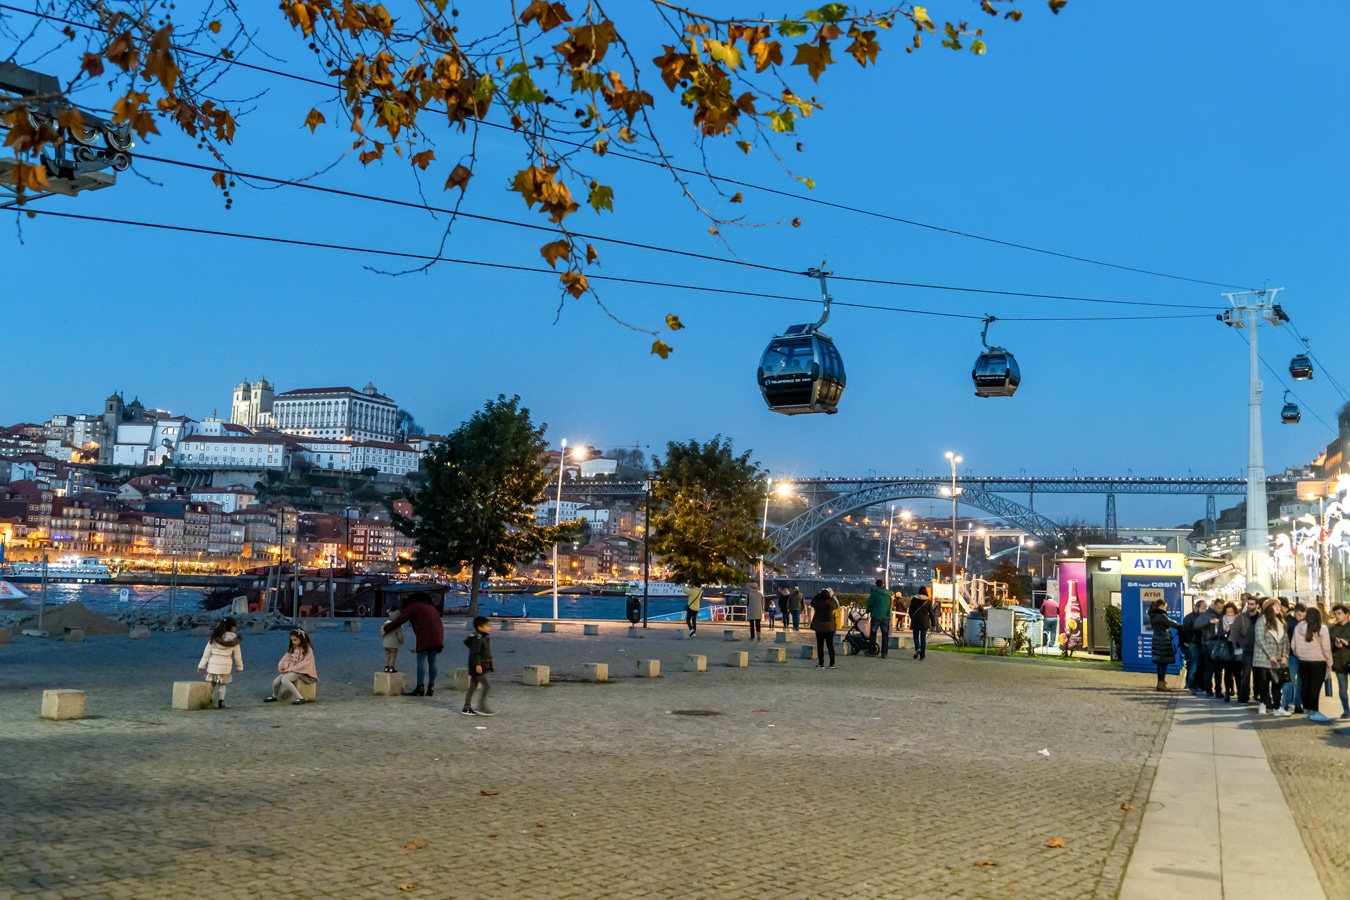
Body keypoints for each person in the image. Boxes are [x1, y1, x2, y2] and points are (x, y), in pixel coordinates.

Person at [381, 591, 444, 697]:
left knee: (421, 661)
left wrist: (385, 629)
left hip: (426, 636)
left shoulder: (413, 606)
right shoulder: (430, 607)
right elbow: (422, 626)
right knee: (432, 661)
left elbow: (400, 620)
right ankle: (431, 687)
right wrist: (419, 645)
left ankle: (420, 687)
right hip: (438, 636)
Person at [1292, 606, 1334, 722]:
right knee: (1315, 688)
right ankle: (1314, 711)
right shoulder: (1322, 629)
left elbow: (1293, 646)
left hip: (1303, 661)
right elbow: (1326, 648)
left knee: (1305, 686)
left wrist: (1299, 654)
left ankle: (1306, 711)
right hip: (1318, 662)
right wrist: (1329, 662)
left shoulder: (1299, 627)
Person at [1252, 599, 1289, 715]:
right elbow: (1259, 639)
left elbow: (1285, 640)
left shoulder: (1281, 622)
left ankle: (1277, 707)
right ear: (1269, 608)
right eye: (1275, 606)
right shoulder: (1261, 621)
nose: (1279, 608)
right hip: (1263, 657)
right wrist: (1270, 654)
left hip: (1278, 658)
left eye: (1279, 606)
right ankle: (1263, 703)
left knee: (1277, 682)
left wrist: (1285, 655)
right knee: (1264, 682)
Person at [197, 617, 243, 709]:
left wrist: (201, 665)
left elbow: (206, 654)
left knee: (211, 684)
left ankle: (209, 699)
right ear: (233, 628)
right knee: (222, 685)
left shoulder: (215, 638)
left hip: (213, 666)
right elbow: (238, 656)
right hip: (225, 667)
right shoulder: (234, 641)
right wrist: (239, 667)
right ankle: (221, 701)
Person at [266, 629, 318, 705]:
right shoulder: (293, 647)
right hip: (291, 670)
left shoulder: (307, 649)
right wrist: (283, 667)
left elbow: (307, 662)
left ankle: (300, 697)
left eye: (295, 640)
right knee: (276, 681)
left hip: (302, 671)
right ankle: (274, 696)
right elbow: (286, 658)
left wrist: (292, 669)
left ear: (301, 639)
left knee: (285, 679)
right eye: (292, 640)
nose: (293, 642)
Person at [462, 615, 495, 717]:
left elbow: (484, 651)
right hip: (477, 667)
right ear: (480, 627)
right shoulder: (478, 638)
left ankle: (466, 707)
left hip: (480, 665)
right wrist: (477, 664)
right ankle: (481, 706)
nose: (489, 627)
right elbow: (475, 653)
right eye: (487, 625)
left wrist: (490, 659)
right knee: (487, 685)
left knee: (472, 687)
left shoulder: (483, 637)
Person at [1148, 599, 1182, 692]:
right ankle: (1161, 683)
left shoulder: (1153, 615)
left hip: (1157, 639)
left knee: (1160, 663)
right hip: (1163, 640)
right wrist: (1181, 625)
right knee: (1163, 663)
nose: (1166, 609)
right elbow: (1171, 623)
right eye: (1165, 607)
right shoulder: (1161, 616)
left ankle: (1160, 681)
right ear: (1161, 606)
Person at [1282, 603, 1307, 713]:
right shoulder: (1288, 621)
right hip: (1291, 655)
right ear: (1295, 612)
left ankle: (1298, 704)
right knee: (1289, 681)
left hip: (1303, 656)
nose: (1300, 618)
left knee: (1300, 682)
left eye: (1302, 616)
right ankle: (1285, 704)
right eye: (1298, 615)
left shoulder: (1306, 622)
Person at [1180, 599, 1209, 692]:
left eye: (1206, 608)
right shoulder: (1189, 617)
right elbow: (1186, 630)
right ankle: (1191, 684)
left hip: (1203, 643)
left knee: (1202, 665)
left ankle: (1200, 684)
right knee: (1194, 664)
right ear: (1196, 608)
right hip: (1194, 643)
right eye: (1203, 608)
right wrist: (1197, 629)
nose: (1204, 610)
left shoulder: (1205, 617)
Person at [1215, 602, 1241, 701]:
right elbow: (1218, 634)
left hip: (1237, 648)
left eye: (1231, 612)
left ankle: (1239, 692)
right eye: (1228, 612)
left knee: (1237, 672)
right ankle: (1227, 692)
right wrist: (1225, 631)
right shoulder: (1221, 621)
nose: (1229, 614)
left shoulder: (1238, 620)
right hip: (1225, 648)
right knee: (1227, 672)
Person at [1328, 604, 1350, 719]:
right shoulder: (1333, 629)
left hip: (1348, 659)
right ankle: (1346, 709)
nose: (1337, 616)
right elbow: (1329, 646)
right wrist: (1335, 645)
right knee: (1342, 688)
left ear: (1347, 614)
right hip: (1339, 662)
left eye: (1339, 613)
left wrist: (1346, 643)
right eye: (1335, 614)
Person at [809, 588, 840, 669]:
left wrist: (818, 594)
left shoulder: (818, 603)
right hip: (830, 627)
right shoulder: (831, 604)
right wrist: (832, 595)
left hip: (819, 627)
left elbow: (812, 602)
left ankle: (821, 663)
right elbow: (837, 605)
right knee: (830, 646)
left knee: (820, 646)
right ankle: (832, 663)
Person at [865, 579, 892, 658]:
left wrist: (868, 610)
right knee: (885, 634)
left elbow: (870, 603)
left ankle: (872, 651)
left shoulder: (874, 593)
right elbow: (890, 604)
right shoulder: (888, 593)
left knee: (873, 633)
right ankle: (884, 653)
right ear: (883, 584)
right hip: (886, 616)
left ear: (876, 585)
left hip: (876, 615)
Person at [909, 594, 935, 661]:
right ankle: (922, 656)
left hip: (916, 621)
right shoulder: (928, 601)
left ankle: (917, 648)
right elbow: (931, 613)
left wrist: (913, 617)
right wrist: (933, 623)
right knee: (923, 639)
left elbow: (910, 611)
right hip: (924, 621)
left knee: (915, 637)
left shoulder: (914, 600)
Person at [382, 606, 405, 673]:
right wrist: (402, 642)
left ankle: (386, 667)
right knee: (393, 656)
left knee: (387, 655)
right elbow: (400, 636)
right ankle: (391, 667)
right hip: (394, 644)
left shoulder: (386, 623)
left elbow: (383, 632)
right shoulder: (398, 625)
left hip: (385, 643)